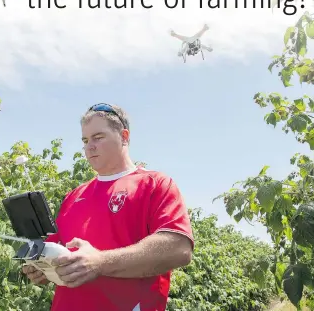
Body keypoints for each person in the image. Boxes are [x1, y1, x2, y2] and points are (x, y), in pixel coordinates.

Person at [22, 103, 194, 311]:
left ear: (124, 136)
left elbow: (179, 248)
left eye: (98, 137)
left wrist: (100, 262)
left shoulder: (154, 184)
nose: (89, 146)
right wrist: (42, 270)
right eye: (85, 140)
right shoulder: (74, 196)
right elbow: (57, 254)